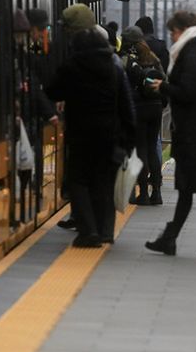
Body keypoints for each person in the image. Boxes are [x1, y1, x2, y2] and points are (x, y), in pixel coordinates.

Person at [145, 11, 196, 258]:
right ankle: (172, 239)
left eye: (173, 31)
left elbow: (189, 91)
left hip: (194, 132)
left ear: (183, 30)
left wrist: (164, 87)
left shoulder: (193, 55)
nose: (171, 36)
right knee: (189, 187)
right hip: (193, 131)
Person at [45, 29, 135, 247]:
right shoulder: (113, 68)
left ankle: (88, 231)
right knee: (103, 183)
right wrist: (129, 139)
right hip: (109, 135)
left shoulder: (72, 67)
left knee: (78, 181)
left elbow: (52, 90)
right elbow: (126, 105)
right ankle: (105, 232)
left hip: (80, 134)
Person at [120, 26, 166, 205]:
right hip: (155, 108)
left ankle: (144, 194)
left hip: (138, 108)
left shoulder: (127, 60)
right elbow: (164, 81)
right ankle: (157, 192)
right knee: (152, 149)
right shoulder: (153, 58)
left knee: (141, 150)